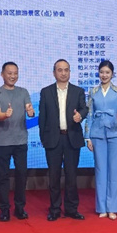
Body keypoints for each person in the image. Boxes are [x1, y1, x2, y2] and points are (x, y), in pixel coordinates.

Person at [38, 59, 88, 221]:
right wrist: (43, 138)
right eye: (60, 70)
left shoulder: (78, 91)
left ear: (70, 72)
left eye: (66, 70)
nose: (63, 73)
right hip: (53, 139)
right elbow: (42, 118)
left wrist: (80, 116)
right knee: (54, 177)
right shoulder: (46, 92)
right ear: (54, 73)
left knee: (71, 176)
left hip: (72, 137)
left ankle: (71, 209)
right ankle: (54, 209)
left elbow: (84, 108)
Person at [85, 60, 117, 220]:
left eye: (107, 72)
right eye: (102, 72)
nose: (104, 75)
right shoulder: (93, 92)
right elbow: (89, 114)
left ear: (112, 74)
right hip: (97, 134)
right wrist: (87, 137)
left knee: (115, 171)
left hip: (116, 132)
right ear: (98, 73)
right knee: (100, 170)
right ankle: (102, 207)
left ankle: (113, 207)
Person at [0, 62, 34, 222]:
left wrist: (31, 112)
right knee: (2, 176)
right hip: (2, 141)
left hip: (20, 140)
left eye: (15, 73)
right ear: (2, 74)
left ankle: (20, 208)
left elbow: (30, 110)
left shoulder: (23, 92)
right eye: (9, 73)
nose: (13, 76)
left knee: (21, 175)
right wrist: (5, 115)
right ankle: (4, 209)